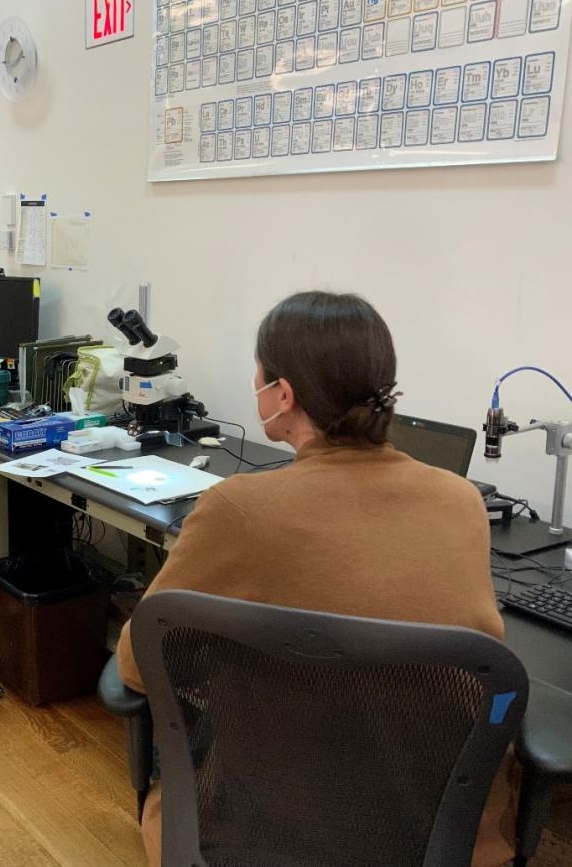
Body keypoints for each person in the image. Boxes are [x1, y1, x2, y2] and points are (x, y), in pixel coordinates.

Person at [115, 291, 515, 867]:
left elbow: (138, 666)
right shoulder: (461, 501)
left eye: (258, 375)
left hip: (255, 830)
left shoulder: (237, 507)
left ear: (283, 394)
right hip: (431, 837)